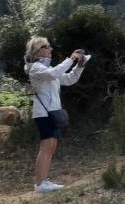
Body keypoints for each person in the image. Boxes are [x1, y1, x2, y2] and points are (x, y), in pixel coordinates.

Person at [25, 37, 88, 194]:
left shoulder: (48, 68)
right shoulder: (36, 68)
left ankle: (44, 180)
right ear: (38, 50)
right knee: (46, 147)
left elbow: (69, 79)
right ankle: (40, 184)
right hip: (43, 113)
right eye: (47, 46)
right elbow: (54, 74)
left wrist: (80, 66)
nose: (51, 49)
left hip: (52, 112)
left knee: (51, 146)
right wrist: (71, 59)